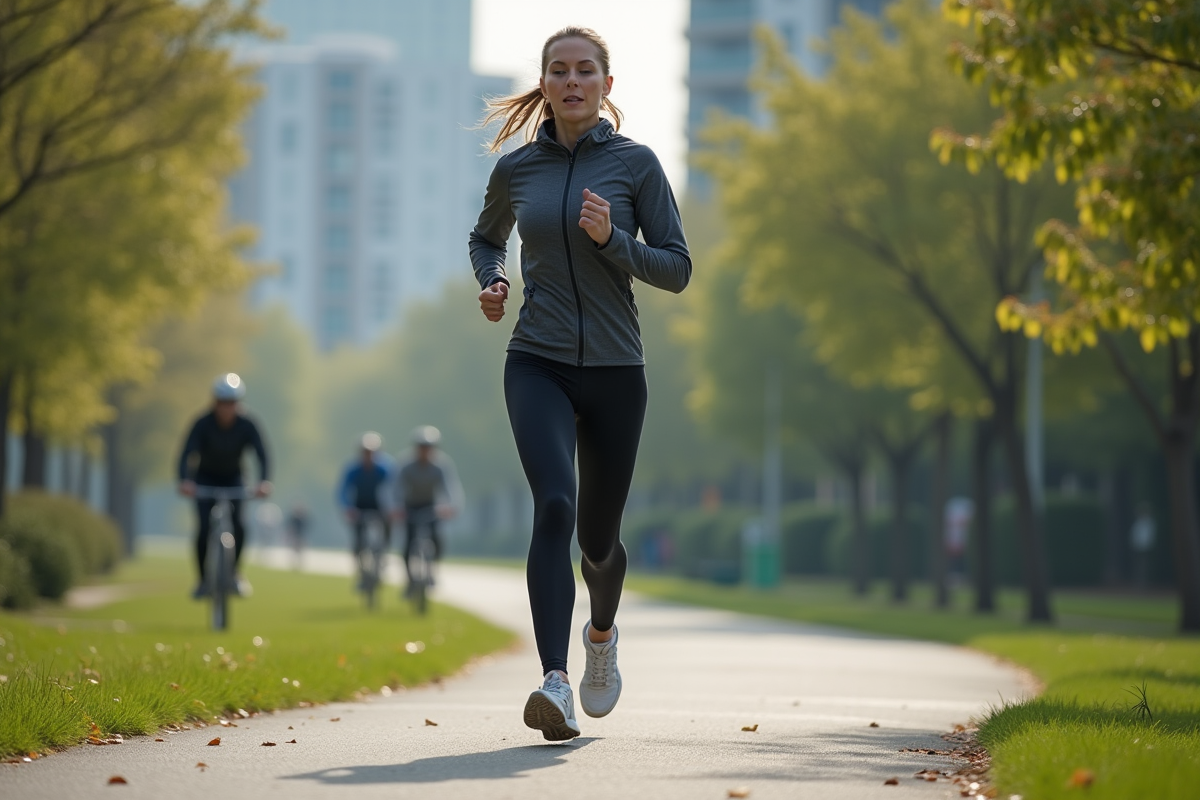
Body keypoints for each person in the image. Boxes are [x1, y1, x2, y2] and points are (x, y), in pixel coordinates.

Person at [469, 27, 691, 741]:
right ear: (544, 83)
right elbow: (484, 236)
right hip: (536, 359)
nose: (572, 82)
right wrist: (493, 277)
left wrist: (612, 243)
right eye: (559, 71)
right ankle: (555, 681)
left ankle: (601, 636)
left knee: (599, 540)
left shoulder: (637, 166)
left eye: (585, 71)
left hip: (619, 372)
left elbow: (678, 268)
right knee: (555, 507)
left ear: (606, 86)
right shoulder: (518, 170)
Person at [177, 373, 271, 599]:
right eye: (222, 402)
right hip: (204, 479)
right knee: (203, 529)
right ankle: (202, 581)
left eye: (232, 402)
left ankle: (235, 574)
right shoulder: (202, 423)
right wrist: (185, 481)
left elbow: (262, 455)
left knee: (239, 526)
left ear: (238, 403)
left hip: (234, 479)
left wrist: (264, 481)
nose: (227, 408)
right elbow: (186, 453)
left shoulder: (248, 424)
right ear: (214, 402)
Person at [392, 426, 463, 593]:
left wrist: (451, 507)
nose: (425, 451)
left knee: (437, 539)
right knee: (408, 543)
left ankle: (432, 571)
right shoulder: (405, 465)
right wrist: (394, 508)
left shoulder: (441, 465)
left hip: (431, 507)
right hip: (410, 506)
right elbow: (394, 488)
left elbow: (451, 488)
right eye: (421, 447)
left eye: (429, 447)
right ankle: (410, 580)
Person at [337, 432, 395, 589]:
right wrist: (348, 508)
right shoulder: (353, 469)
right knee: (358, 542)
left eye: (372, 452)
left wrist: (393, 508)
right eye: (365, 452)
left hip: (381, 505)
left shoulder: (386, 468)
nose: (368, 456)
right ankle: (361, 572)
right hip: (360, 506)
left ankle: (382, 555)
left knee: (386, 528)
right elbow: (343, 490)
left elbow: (395, 488)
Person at [1130, 505, 1156, 589]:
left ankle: (1144, 582)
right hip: (1138, 548)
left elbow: (1149, 536)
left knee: (1144, 566)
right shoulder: (1138, 522)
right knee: (1138, 565)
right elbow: (1134, 535)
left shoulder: (1149, 523)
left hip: (1145, 548)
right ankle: (1138, 581)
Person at [285, 502, 310, 571]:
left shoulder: (303, 518)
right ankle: (293, 565)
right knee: (294, 552)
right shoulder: (294, 518)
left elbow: (306, 528)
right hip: (295, 536)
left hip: (301, 536)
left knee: (300, 552)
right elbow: (290, 527)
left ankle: (299, 565)